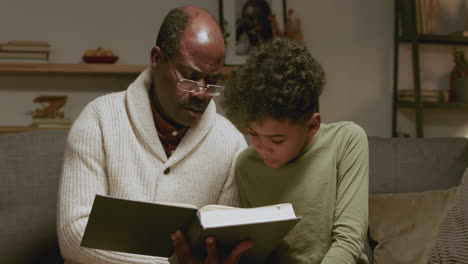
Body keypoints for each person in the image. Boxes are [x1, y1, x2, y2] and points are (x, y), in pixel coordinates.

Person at [57, 6, 250, 264]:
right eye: (190, 77)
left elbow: (221, 242)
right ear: (157, 59)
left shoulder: (232, 142)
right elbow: (73, 236)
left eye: (212, 80)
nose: (201, 92)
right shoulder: (99, 120)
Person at [222, 38, 369, 263]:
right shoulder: (246, 165)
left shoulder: (346, 141)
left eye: (277, 140)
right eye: (253, 134)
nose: (261, 147)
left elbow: (349, 241)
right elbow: (256, 251)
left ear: (312, 126)